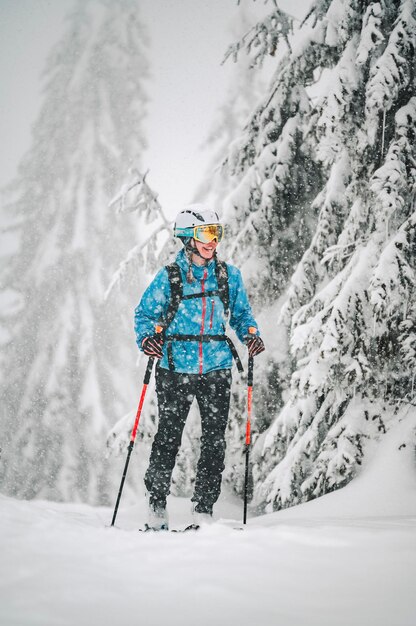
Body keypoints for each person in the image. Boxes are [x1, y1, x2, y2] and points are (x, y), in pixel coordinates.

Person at [134, 204, 265, 530]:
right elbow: (143, 315)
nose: (213, 240)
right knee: (168, 438)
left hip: (217, 367)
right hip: (176, 367)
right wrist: (147, 339)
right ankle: (156, 504)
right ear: (189, 237)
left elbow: (242, 316)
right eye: (207, 233)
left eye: (216, 233)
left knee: (214, 441)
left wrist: (252, 336)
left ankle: (203, 509)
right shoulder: (170, 277)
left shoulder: (227, 276)